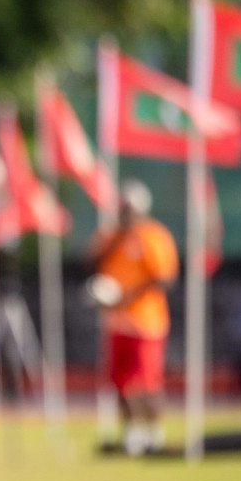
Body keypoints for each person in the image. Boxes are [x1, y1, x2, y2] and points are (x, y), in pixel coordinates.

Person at [89, 179, 179, 455]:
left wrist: (128, 296)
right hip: (117, 322)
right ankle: (132, 432)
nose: (125, 213)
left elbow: (164, 278)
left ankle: (153, 431)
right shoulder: (111, 235)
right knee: (121, 381)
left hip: (146, 322)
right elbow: (91, 261)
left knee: (147, 381)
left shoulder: (153, 236)